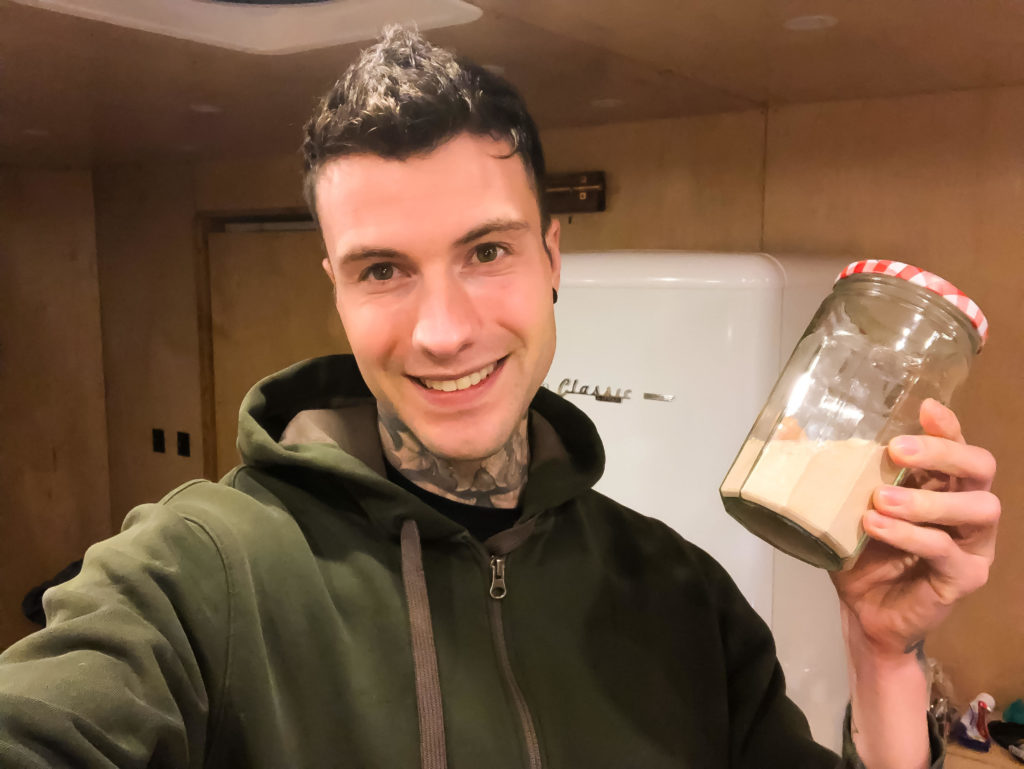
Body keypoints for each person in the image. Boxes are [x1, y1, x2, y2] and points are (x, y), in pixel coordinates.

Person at [0, 25, 999, 769]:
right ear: (337, 290)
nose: (444, 329)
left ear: (551, 257)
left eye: (486, 252)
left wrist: (881, 654)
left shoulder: (677, 597)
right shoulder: (199, 574)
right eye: (383, 270)